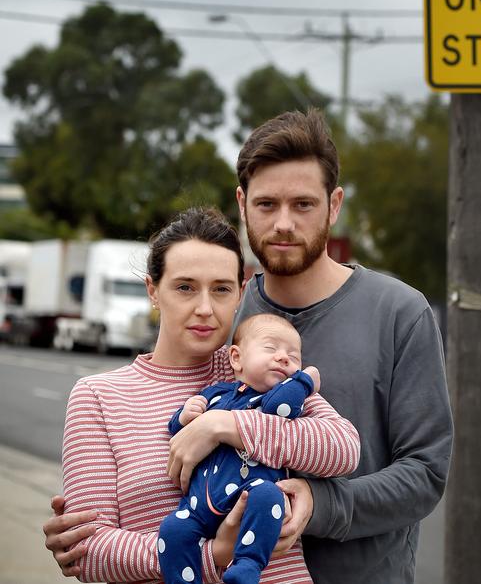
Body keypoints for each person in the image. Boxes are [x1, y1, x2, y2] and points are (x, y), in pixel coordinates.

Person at [45, 108, 452, 584]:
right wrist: (92, 542)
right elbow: (112, 511)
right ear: (242, 204)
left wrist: (316, 500)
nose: (283, 224)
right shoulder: (221, 326)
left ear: (334, 204)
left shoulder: (400, 314)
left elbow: (425, 474)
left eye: (303, 204)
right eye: (266, 205)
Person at [44, 206, 359, 584]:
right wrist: (214, 555)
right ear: (153, 291)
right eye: (185, 287)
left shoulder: (255, 370)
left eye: (221, 289)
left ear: (241, 293)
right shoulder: (97, 396)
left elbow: (343, 447)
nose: (205, 309)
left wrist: (224, 424)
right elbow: (88, 554)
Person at [159, 313, 321, 584]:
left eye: (294, 357)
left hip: (253, 494)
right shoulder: (216, 393)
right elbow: (177, 431)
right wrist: (185, 415)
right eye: (271, 349)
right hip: (200, 504)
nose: (283, 358)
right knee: (173, 530)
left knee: (270, 496)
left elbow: (278, 408)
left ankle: (247, 565)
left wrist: (305, 380)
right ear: (236, 358)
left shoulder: (276, 399)